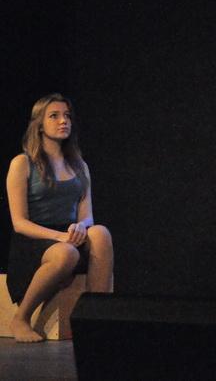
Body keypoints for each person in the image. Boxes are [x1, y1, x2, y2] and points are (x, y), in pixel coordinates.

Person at [6, 93, 114, 343]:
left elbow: (87, 216)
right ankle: (21, 318)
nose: (63, 121)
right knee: (67, 253)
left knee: (100, 233)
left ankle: (97, 319)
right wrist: (61, 237)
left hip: (69, 235)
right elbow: (19, 223)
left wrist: (80, 227)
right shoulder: (23, 163)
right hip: (34, 240)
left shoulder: (79, 165)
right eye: (54, 116)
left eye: (66, 116)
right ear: (39, 125)